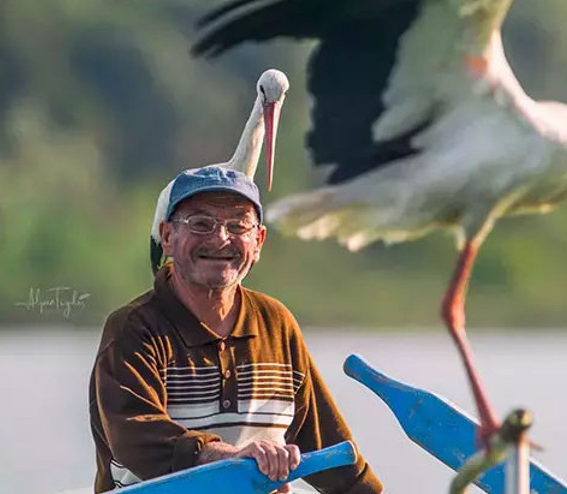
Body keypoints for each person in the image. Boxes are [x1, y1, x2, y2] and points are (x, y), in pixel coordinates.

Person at [89, 167, 382, 493]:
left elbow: (329, 448)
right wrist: (230, 458)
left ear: (258, 242)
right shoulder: (135, 329)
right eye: (201, 224)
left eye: (238, 225)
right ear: (168, 237)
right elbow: (135, 438)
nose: (220, 239)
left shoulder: (276, 324)